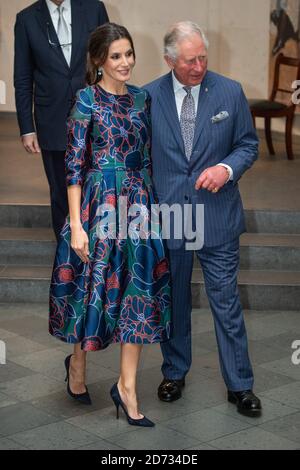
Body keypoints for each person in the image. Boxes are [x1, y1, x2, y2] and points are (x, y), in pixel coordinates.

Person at [49, 23, 171, 427]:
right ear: (99, 59)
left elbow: (148, 157)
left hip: (137, 205)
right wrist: (76, 225)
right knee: (93, 290)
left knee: (137, 292)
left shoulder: (142, 99)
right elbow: (73, 166)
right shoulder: (86, 100)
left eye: (129, 54)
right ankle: (78, 363)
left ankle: (127, 387)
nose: (125, 62)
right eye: (116, 56)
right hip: (98, 204)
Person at [144, 21, 262, 416]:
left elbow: (248, 144)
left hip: (217, 217)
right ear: (170, 60)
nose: (199, 66)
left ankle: (240, 384)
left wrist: (226, 169)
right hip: (171, 217)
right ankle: (174, 372)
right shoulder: (147, 97)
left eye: (203, 57)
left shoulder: (229, 91)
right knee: (174, 301)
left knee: (226, 302)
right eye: (190, 60)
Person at [14, 0, 109, 241]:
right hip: (52, 119)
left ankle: (98, 250)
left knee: (97, 186)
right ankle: (67, 255)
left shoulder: (93, 8)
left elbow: (108, 60)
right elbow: (23, 77)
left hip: (93, 115)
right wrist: (27, 127)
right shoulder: (26, 19)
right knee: (60, 191)